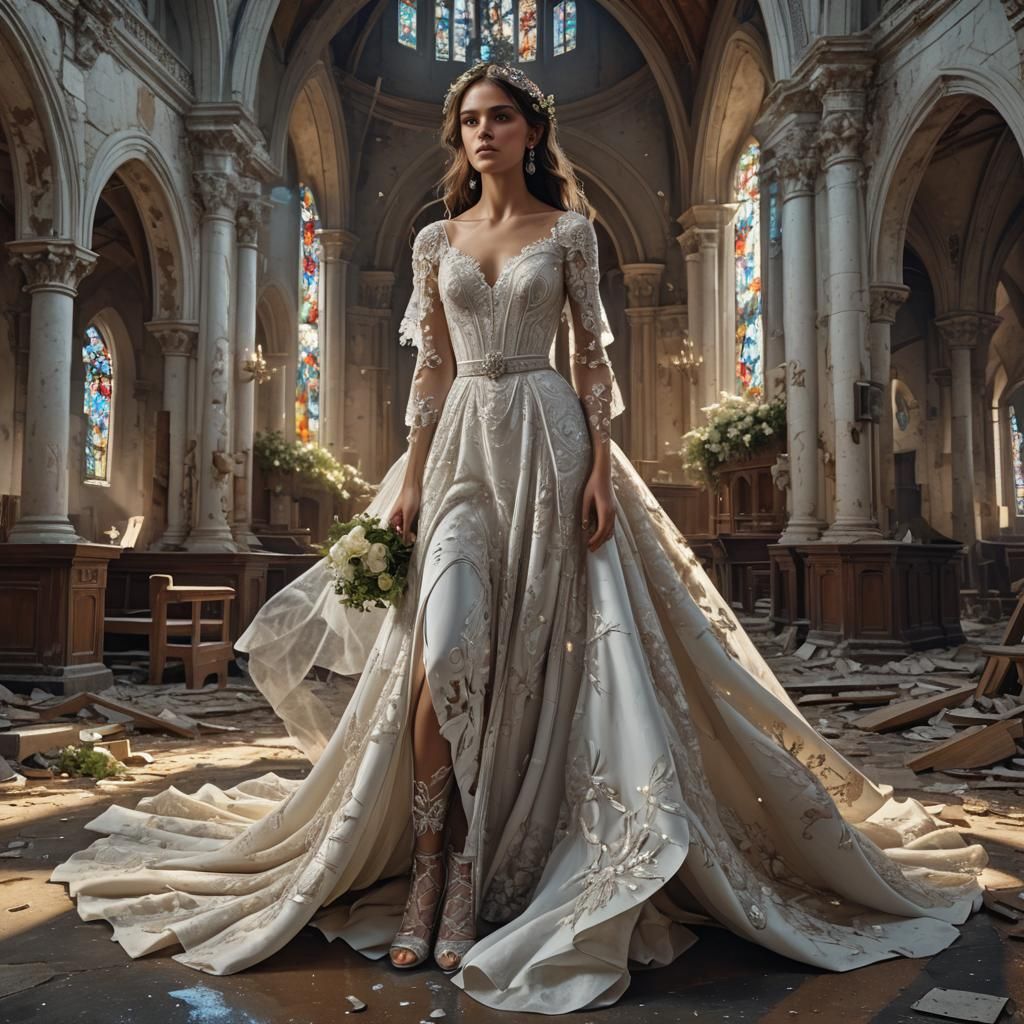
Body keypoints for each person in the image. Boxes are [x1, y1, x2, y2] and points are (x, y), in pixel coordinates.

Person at [50, 63, 987, 1015]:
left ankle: (473, 875)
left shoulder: (571, 231)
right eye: (470, 120)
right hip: (461, 446)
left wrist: (601, 469)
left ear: (531, 132)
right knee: (441, 650)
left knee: (538, 655)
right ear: (456, 136)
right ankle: (429, 864)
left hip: (552, 442)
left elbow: (591, 362)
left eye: (500, 118)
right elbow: (430, 370)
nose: (484, 132)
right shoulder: (434, 240)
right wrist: (413, 478)